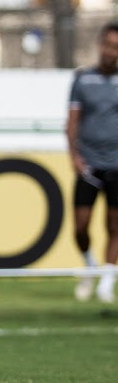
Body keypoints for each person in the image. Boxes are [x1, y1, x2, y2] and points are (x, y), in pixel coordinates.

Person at [66, 21, 118, 303]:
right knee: (80, 227)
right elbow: (72, 122)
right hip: (89, 165)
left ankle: (107, 284)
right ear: (100, 45)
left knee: (114, 226)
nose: (112, 53)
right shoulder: (83, 80)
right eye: (109, 46)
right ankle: (89, 264)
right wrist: (74, 155)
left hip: (117, 165)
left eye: (117, 49)